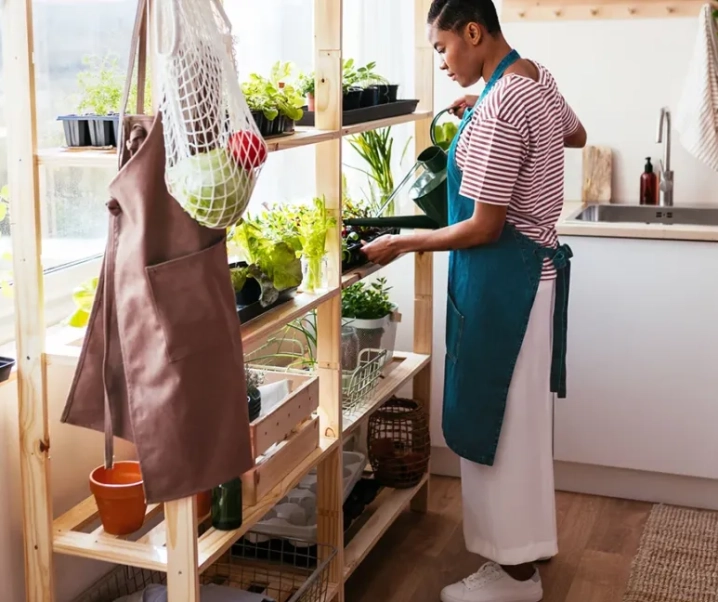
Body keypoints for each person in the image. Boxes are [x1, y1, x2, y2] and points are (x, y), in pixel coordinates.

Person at [361, 1, 586, 601]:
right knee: (523, 425)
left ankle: (514, 578)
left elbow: (484, 227)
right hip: (531, 279)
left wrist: (408, 242)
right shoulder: (533, 76)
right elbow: (574, 133)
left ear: (473, 31)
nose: (443, 62)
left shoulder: (500, 107)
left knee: (498, 426)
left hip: (502, 286)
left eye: (443, 48)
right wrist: (480, 109)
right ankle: (527, 554)